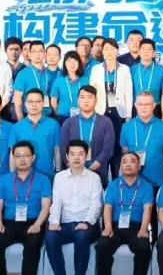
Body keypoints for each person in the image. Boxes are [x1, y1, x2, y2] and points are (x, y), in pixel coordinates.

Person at [0, 141, 52, 275]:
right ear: (13, 158)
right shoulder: (4, 180)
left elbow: (46, 206)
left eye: (26, 155)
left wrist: (37, 224)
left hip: (33, 222)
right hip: (9, 222)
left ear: (33, 157)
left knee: (33, 243)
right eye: (18, 156)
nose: (22, 159)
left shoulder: (43, 179)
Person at [92, 152, 154, 275]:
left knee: (143, 247)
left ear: (138, 166)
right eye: (124, 161)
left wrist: (144, 229)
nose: (128, 164)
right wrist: (107, 227)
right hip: (115, 225)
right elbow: (107, 208)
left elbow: (147, 209)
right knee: (102, 245)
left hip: (136, 226)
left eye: (132, 161)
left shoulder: (146, 186)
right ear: (120, 166)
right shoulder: (113, 185)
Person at [45, 140, 103, 275]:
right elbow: (56, 203)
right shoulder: (59, 177)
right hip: (65, 224)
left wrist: (87, 222)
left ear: (87, 156)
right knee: (50, 237)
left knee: (81, 237)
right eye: (72, 154)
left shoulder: (94, 178)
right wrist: (54, 222)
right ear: (66, 157)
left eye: (80, 154)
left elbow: (96, 205)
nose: (76, 158)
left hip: (88, 225)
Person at [89, 38, 133, 177]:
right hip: (101, 111)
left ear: (117, 51)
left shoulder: (125, 69)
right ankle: (101, 178)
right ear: (102, 51)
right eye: (106, 49)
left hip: (119, 112)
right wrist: (91, 112)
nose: (109, 52)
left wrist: (128, 115)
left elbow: (128, 93)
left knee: (117, 147)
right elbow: (92, 92)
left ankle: (115, 176)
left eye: (112, 49)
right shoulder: (96, 69)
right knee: (102, 145)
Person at [59, 85, 115, 188]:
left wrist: (93, 167)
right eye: (82, 97)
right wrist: (74, 167)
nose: (86, 100)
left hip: (98, 173)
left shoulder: (106, 122)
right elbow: (63, 148)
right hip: (74, 173)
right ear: (77, 101)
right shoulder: (68, 123)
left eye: (89, 97)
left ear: (96, 100)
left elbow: (108, 149)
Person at [120, 92, 163, 190]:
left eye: (147, 104)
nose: (143, 108)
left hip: (155, 180)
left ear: (154, 105)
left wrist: (156, 163)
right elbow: (125, 151)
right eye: (140, 104)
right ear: (135, 105)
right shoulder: (126, 127)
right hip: (132, 180)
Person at [14, 41, 53, 120]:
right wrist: (20, 119)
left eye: (41, 51)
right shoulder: (23, 74)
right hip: (28, 115)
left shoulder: (49, 73)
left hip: (47, 114)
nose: (38, 54)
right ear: (30, 54)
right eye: (34, 51)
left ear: (45, 54)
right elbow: (17, 98)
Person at [51, 51, 88, 126]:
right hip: (62, 117)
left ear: (79, 63)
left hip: (82, 116)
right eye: (69, 61)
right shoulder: (59, 80)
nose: (72, 64)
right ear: (65, 63)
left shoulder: (86, 80)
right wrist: (58, 112)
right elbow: (53, 101)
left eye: (75, 61)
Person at [131, 39, 163, 113]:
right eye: (143, 49)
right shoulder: (132, 69)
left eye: (149, 49)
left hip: (155, 107)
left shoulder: (161, 69)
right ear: (139, 51)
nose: (146, 51)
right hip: (136, 107)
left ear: (154, 53)